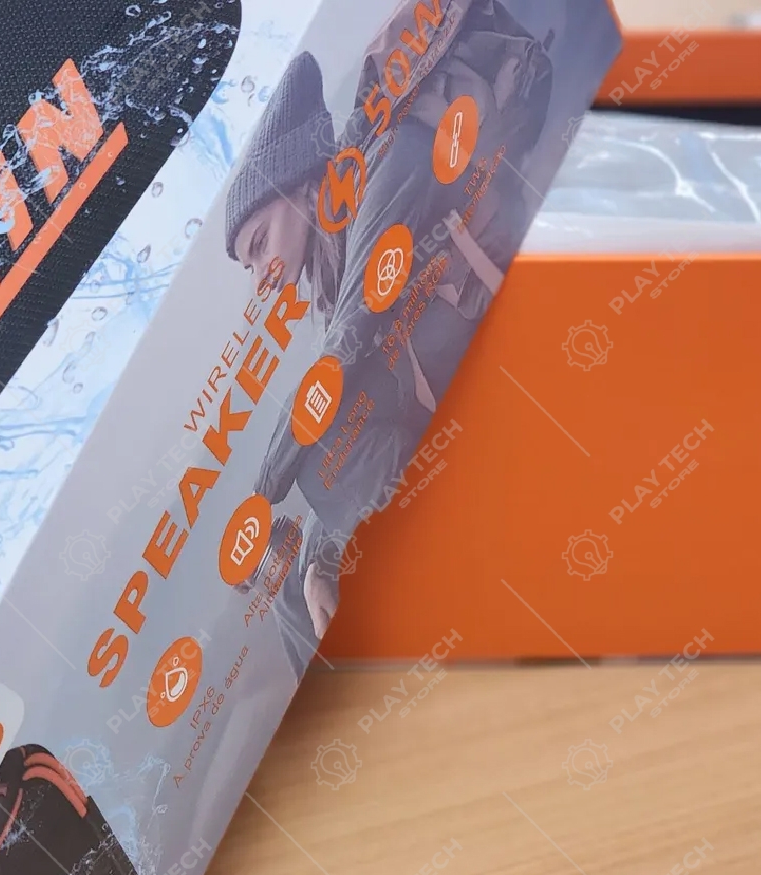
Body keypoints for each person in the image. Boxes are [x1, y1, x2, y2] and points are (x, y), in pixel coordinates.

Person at [226, 0, 553, 669]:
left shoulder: (388, 159)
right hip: (442, 387)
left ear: (297, 184)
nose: (260, 276)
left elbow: (356, 329)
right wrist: (316, 558)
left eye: (258, 244)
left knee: (322, 445)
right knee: (293, 580)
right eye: (249, 264)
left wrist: (262, 493)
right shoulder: (332, 251)